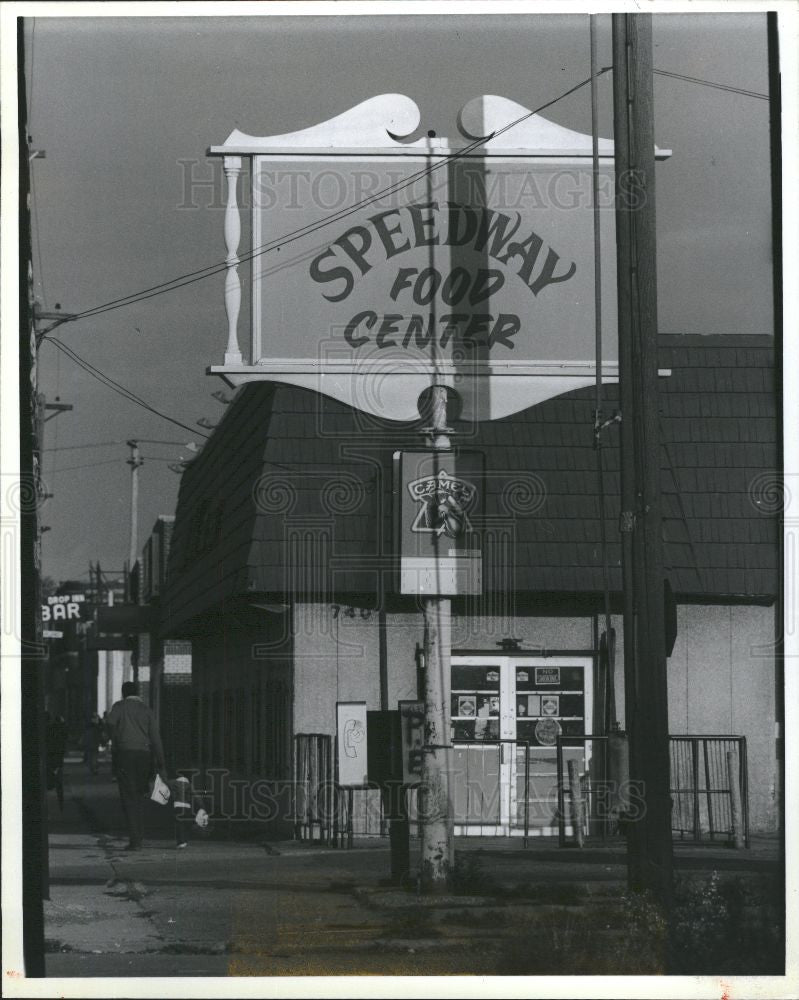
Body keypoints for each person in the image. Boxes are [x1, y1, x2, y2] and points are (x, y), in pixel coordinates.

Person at [106, 681, 167, 850]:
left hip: (125, 756)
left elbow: (110, 724)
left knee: (128, 797)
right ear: (137, 693)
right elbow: (155, 738)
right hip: (144, 757)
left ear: (123, 693)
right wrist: (161, 761)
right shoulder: (146, 710)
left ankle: (135, 840)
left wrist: (115, 739)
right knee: (140, 796)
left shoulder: (119, 706)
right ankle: (139, 835)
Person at [45, 712, 69, 812]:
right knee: (58, 783)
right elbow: (64, 737)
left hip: (50, 758)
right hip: (56, 758)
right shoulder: (56, 729)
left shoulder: (47, 730)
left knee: (52, 781)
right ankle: (61, 805)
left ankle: (59, 805)